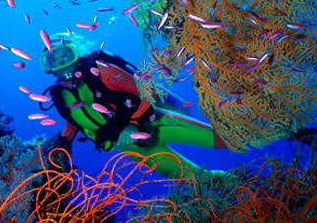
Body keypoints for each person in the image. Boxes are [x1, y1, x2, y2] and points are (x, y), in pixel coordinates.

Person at [39, 33, 228, 179]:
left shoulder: (102, 70)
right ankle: (235, 183)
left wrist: (133, 124)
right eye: (53, 59)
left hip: (153, 123)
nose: (61, 62)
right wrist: (63, 145)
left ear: (77, 53)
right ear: (48, 66)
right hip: (127, 145)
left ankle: (253, 137)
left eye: (66, 55)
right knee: (197, 178)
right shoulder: (60, 95)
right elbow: (76, 120)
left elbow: (147, 92)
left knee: (227, 139)